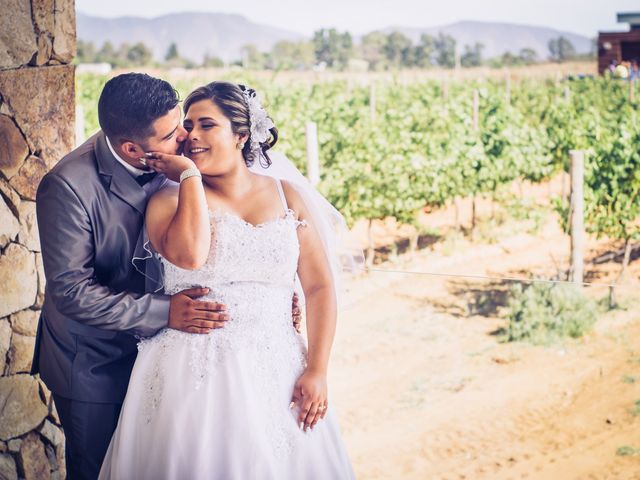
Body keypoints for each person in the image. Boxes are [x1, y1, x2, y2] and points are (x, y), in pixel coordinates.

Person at [33, 73, 301, 480]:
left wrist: (272, 292)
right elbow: (71, 292)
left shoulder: (175, 152)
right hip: (95, 359)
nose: (186, 138)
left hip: (175, 352)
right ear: (131, 149)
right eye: (173, 133)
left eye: (183, 124)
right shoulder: (67, 187)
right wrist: (166, 313)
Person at [99, 82, 356, 479]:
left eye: (206, 125)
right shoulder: (167, 198)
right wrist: (187, 176)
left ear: (241, 135)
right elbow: (190, 256)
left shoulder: (289, 196)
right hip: (192, 372)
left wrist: (318, 369)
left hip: (279, 367)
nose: (192, 136)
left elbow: (320, 287)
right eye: (187, 126)